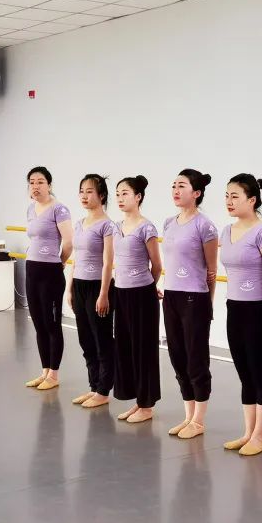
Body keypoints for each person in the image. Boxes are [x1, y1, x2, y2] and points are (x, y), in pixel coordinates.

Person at [221, 174, 262, 456]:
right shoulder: (226, 231)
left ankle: (260, 437)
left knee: (260, 375)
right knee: (245, 375)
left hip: (259, 311)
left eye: (235, 196)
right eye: (227, 196)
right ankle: (248, 433)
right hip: (234, 309)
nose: (229, 201)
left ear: (252, 200)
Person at [162, 169, 218, 440]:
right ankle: (188, 416)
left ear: (196, 193)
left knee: (196, 359)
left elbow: (211, 271)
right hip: (171, 296)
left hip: (195, 298)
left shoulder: (204, 226)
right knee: (177, 357)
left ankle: (199, 420)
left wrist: (208, 304)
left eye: (182, 186)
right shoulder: (168, 223)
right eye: (174, 185)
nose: (176, 190)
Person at [111, 176, 162, 423]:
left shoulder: (146, 228)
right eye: (118, 194)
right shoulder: (115, 226)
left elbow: (157, 265)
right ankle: (138, 401)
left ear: (138, 197)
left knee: (143, 349)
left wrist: (149, 287)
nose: (120, 198)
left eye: (125, 194)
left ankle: (147, 405)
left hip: (141, 294)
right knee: (125, 347)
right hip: (120, 292)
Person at [67, 174, 116, 409]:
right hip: (79, 285)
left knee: (102, 339)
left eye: (89, 192)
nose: (84, 196)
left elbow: (108, 263)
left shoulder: (107, 225)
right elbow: (76, 259)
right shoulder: (79, 224)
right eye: (82, 191)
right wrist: (69, 288)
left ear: (101, 196)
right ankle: (93, 386)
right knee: (85, 339)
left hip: (98, 286)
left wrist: (104, 293)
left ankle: (103, 390)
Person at [23, 166, 73, 391]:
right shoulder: (30, 208)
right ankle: (44, 371)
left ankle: (54, 374)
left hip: (50, 271)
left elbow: (69, 242)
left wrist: (60, 261)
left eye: (40, 182)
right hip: (32, 269)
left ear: (49, 185)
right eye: (32, 182)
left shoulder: (59, 209)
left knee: (52, 323)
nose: (35, 186)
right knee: (38, 323)